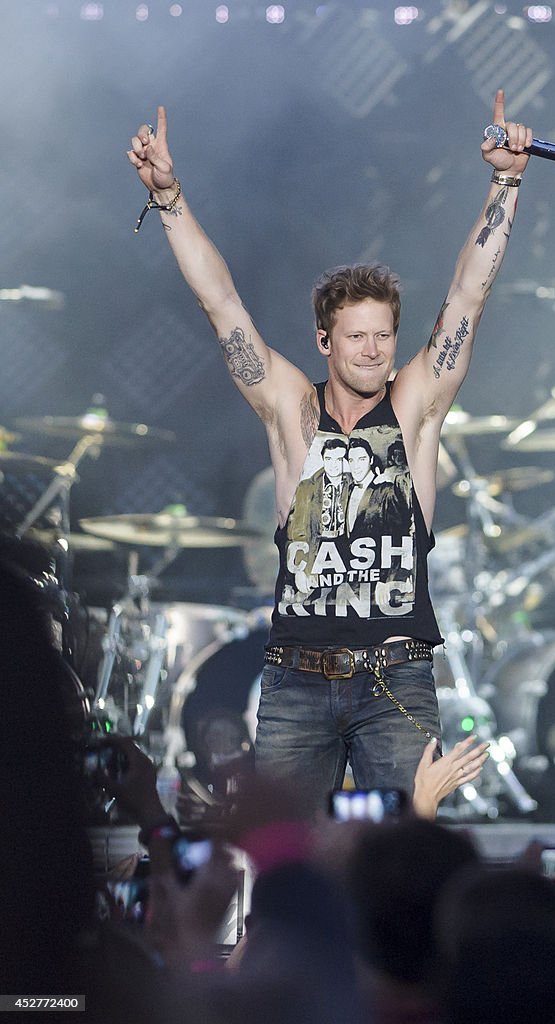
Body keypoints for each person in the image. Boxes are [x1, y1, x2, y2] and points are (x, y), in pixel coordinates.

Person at [127, 92, 534, 815]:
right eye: (357, 336)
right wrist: (169, 198)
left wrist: (505, 181)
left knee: (402, 863)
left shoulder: (414, 407)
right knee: (284, 865)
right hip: (295, 681)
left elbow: (470, 296)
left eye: (385, 335)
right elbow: (221, 304)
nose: (375, 350)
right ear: (325, 341)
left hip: (397, 679)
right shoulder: (292, 408)